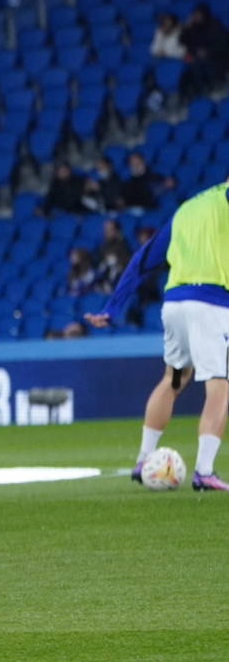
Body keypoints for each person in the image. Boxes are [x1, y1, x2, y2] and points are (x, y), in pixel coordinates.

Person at [86, 179, 229, 490]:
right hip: (210, 304)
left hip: (175, 303)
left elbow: (144, 258)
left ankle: (143, 459)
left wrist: (112, 307)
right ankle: (204, 470)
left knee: (174, 379)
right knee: (220, 384)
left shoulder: (188, 209)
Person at [96, 218, 133, 289]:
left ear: (117, 230)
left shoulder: (124, 246)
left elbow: (125, 265)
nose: (106, 232)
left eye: (110, 229)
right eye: (105, 229)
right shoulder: (102, 246)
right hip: (105, 280)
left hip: (119, 281)